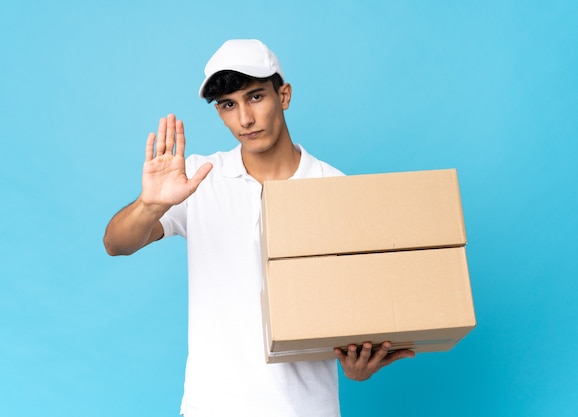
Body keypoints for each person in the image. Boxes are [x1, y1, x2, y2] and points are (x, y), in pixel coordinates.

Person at [103, 39, 414, 417]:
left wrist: (357, 364)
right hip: (210, 408)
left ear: (284, 95)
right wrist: (150, 204)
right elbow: (117, 244)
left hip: (305, 409)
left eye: (255, 97)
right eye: (228, 105)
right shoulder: (200, 178)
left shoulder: (334, 188)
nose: (244, 120)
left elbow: (355, 308)